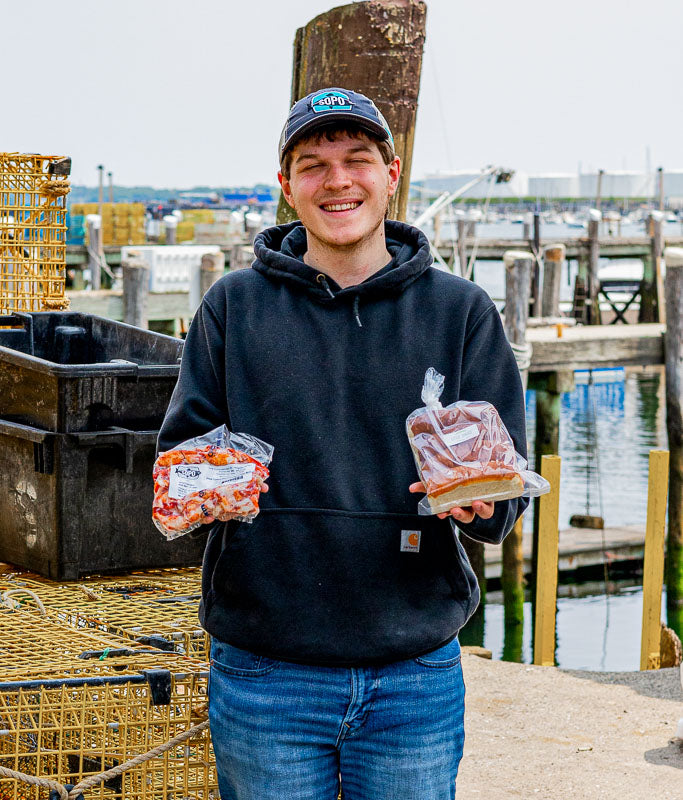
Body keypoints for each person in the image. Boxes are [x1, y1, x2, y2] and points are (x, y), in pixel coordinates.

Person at [157, 87, 528, 800]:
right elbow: (180, 459)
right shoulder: (231, 306)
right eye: (311, 163)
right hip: (265, 670)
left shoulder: (461, 311)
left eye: (356, 159)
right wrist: (205, 488)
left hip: (413, 675)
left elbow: (504, 481)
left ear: (392, 174)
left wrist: (482, 503)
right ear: (285, 186)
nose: (336, 180)